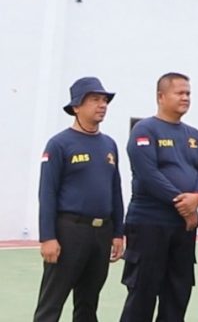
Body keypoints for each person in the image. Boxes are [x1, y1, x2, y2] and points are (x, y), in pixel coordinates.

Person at [120, 72, 198, 322]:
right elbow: (148, 174)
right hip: (150, 223)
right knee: (143, 292)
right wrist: (184, 203)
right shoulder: (145, 130)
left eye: (188, 93)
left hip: (183, 227)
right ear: (161, 96)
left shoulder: (195, 135)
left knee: (178, 292)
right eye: (179, 93)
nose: (185, 98)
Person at [34, 77, 125, 322]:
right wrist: (48, 237)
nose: (102, 105)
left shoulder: (109, 145)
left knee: (88, 303)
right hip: (69, 231)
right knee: (52, 302)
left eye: (105, 100)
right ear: (76, 107)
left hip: (101, 234)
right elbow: (47, 192)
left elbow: (115, 190)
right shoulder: (59, 144)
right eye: (95, 99)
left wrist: (118, 232)